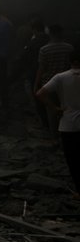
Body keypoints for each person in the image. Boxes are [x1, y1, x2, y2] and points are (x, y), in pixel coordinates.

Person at [37, 51, 80, 196]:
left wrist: (55, 108)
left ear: (70, 61)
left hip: (68, 124)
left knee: (73, 159)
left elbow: (40, 94)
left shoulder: (61, 77)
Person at [36, 24, 75, 131]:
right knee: (67, 110)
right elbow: (71, 65)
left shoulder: (44, 49)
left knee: (51, 111)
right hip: (66, 83)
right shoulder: (69, 47)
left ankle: (54, 137)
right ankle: (66, 133)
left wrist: (36, 84)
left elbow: (41, 68)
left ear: (50, 34)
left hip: (48, 83)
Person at [21, 19, 51, 130]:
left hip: (35, 73)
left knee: (38, 98)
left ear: (34, 30)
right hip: (53, 73)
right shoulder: (50, 40)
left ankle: (44, 123)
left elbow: (23, 57)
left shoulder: (32, 43)